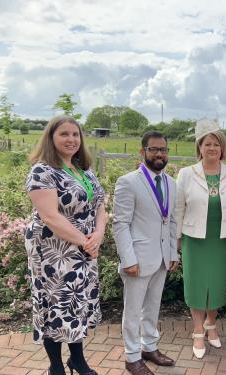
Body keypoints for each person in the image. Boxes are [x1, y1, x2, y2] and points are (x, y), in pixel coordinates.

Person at [25, 115, 106, 375]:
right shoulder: (42, 171)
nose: (71, 139)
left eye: (75, 134)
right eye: (64, 134)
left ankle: (78, 360)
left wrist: (99, 235)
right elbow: (50, 216)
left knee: (76, 303)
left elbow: (101, 205)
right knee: (55, 305)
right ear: (51, 138)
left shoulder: (84, 170)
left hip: (84, 250)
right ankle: (56, 366)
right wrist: (86, 241)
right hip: (53, 252)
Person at [112, 131, 179, 375]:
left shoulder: (172, 184)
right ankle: (131, 357)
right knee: (132, 311)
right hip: (137, 260)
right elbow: (120, 224)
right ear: (143, 152)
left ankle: (149, 347)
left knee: (152, 307)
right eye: (154, 149)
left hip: (161, 258)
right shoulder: (128, 182)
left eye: (163, 149)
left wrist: (172, 253)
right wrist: (127, 258)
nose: (159, 154)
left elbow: (171, 221)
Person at [175, 119, 226, 359]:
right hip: (194, 239)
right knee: (195, 283)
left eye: (216, 144)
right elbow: (178, 209)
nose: (212, 148)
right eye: (207, 144)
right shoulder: (185, 174)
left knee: (217, 282)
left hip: (223, 239)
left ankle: (211, 324)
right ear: (199, 148)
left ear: (222, 148)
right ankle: (197, 330)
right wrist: (177, 240)